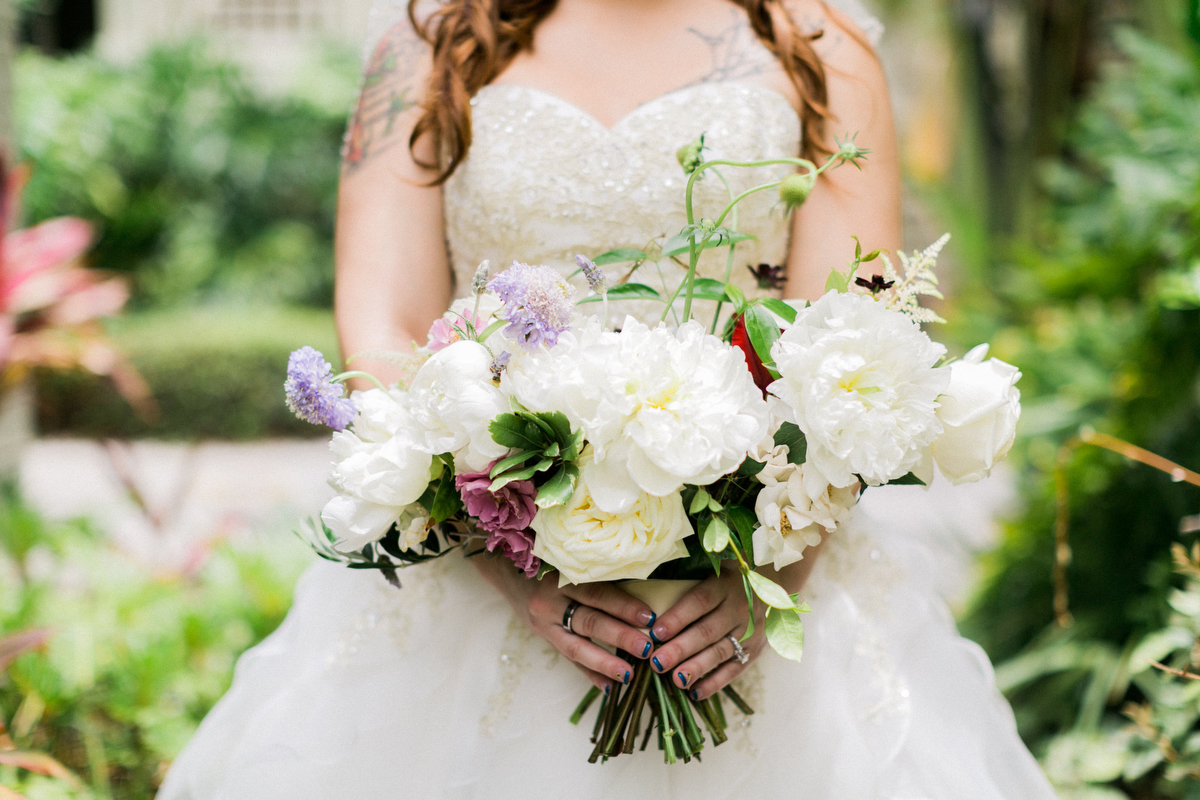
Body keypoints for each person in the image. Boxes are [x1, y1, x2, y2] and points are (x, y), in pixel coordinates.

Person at [158, 1, 1059, 797]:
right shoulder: (427, 45)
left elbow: (855, 344)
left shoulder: (820, 46)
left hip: (757, 583)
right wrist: (501, 549)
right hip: (483, 577)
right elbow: (384, 317)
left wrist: (771, 574)